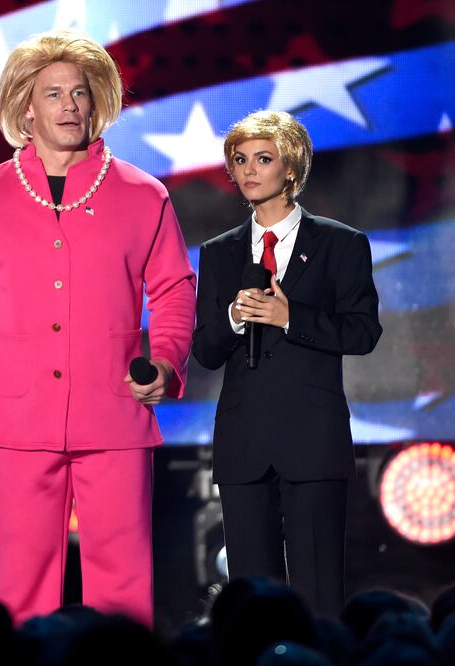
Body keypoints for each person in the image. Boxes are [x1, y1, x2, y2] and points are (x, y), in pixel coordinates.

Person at [0, 30, 196, 626]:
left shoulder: (146, 196)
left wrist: (167, 362)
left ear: (97, 104)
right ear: (26, 108)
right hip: (20, 421)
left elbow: (173, 290)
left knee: (123, 590)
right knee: (20, 587)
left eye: (80, 93)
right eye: (53, 94)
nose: (69, 105)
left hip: (115, 414)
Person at [192, 110, 382, 615]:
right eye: (240, 160)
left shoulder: (341, 243)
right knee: (251, 600)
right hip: (244, 441)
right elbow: (205, 350)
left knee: (318, 591)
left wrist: (289, 315)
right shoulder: (220, 252)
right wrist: (234, 317)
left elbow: (363, 333)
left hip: (313, 440)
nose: (249, 170)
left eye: (263, 158)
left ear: (291, 169)